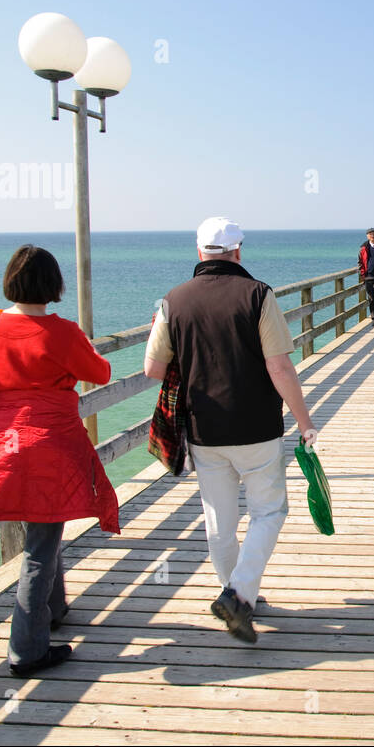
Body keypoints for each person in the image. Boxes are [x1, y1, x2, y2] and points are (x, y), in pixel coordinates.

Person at [0, 245, 119, 677]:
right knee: (41, 546)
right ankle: (26, 652)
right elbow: (102, 374)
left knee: (42, 536)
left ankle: (53, 612)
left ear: (10, 281)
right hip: (53, 444)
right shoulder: (63, 332)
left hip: (4, 445)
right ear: (54, 285)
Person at [143, 217, 319, 643]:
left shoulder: (173, 301)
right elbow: (279, 366)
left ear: (199, 252)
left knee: (219, 522)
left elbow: (152, 369)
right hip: (257, 427)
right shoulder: (258, 294)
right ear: (238, 251)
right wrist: (304, 421)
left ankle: (237, 596)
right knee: (269, 511)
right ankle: (239, 595)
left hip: (204, 429)